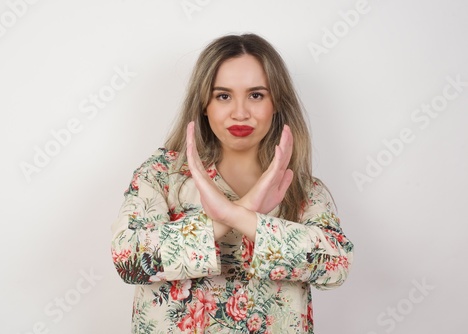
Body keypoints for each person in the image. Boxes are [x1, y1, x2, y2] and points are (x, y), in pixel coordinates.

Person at [111, 33, 354, 334]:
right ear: (204, 104)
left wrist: (237, 215)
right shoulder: (162, 176)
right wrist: (236, 214)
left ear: (276, 102)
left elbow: (335, 265)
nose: (240, 113)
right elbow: (130, 260)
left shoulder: (300, 189)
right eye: (223, 96)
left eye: (256, 95)